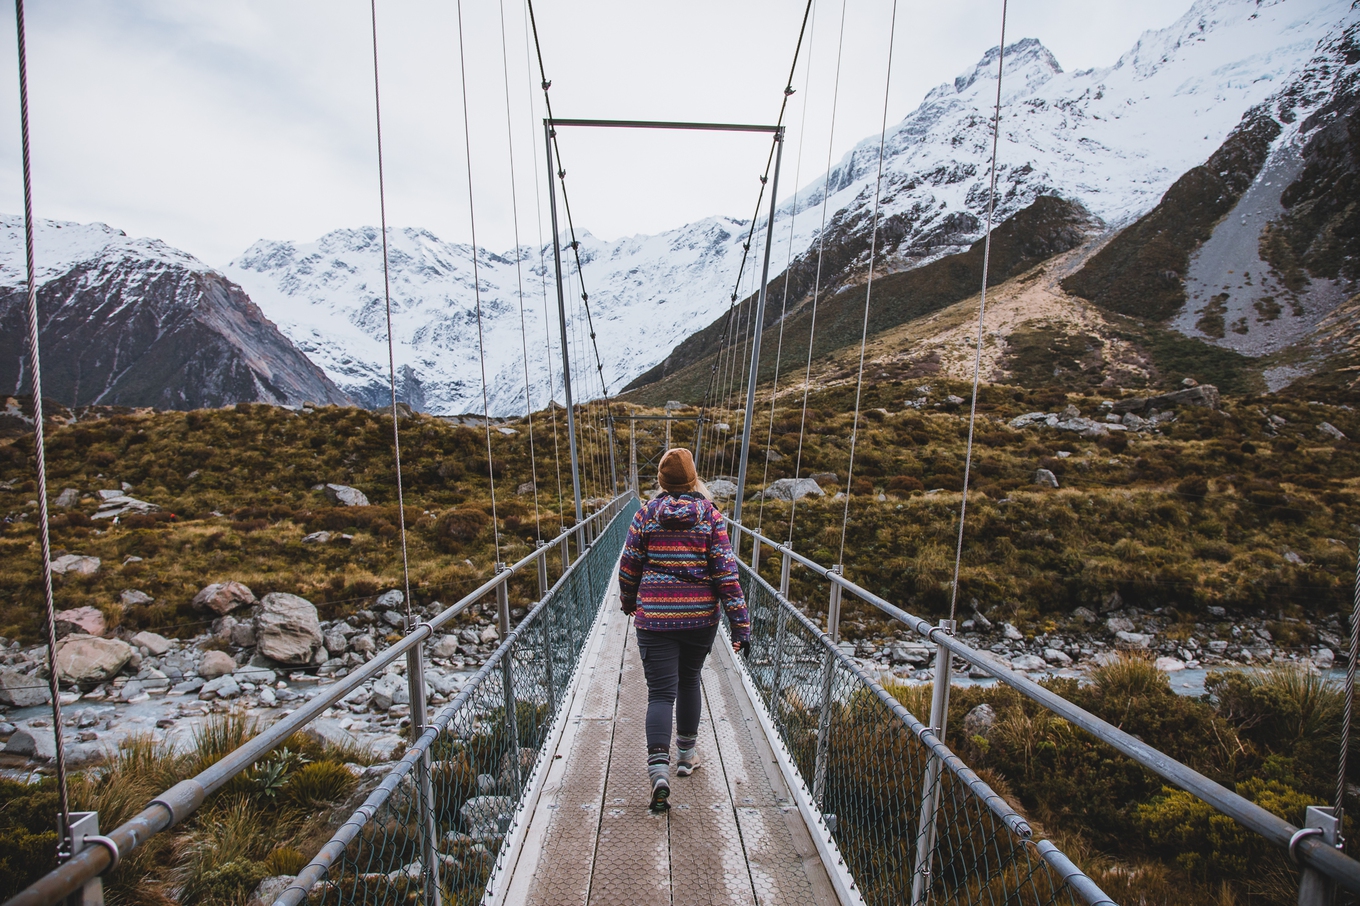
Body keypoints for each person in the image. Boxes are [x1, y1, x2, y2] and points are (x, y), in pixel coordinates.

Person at [618, 447, 751, 810]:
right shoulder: (710, 516)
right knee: (690, 680)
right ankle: (686, 757)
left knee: (661, 694)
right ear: (694, 479)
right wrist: (741, 627)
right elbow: (727, 574)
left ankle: (657, 771)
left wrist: (630, 602)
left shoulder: (645, 515)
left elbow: (628, 566)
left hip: (655, 618)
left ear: (661, 481)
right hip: (699, 618)